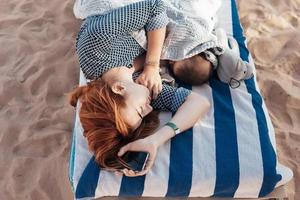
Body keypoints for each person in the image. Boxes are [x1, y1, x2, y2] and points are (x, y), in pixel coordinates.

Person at [69, 0, 210, 177]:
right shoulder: (137, 88)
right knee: (196, 71)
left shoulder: (98, 42)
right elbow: (198, 103)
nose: (149, 108)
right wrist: (155, 141)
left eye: (139, 110)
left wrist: (152, 65)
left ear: (119, 88)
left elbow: (155, 6)